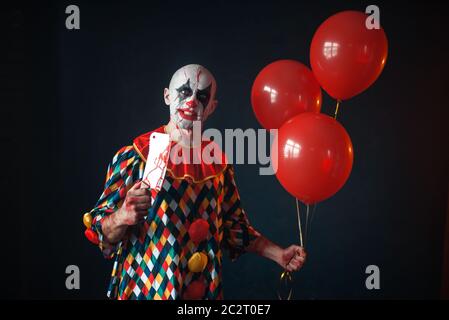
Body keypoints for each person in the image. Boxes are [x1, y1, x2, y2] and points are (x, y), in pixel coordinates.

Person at [83, 64, 306, 300]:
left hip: (201, 294)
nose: (191, 102)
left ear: (211, 107)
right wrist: (122, 216)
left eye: (201, 96)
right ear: (167, 96)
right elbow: (100, 231)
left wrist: (279, 254)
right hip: (147, 290)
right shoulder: (136, 157)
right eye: (183, 92)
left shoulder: (218, 166)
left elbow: (234, 230)